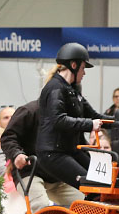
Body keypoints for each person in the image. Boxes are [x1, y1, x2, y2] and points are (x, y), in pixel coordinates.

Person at [36, 42, 102, 189]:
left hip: (69, 150)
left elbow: (93, 115)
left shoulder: (72, 90)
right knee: (92, 186)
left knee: (103, 181)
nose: (84, 73)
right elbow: (58, 120)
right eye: (83, 68)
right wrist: (90, 125)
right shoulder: (55, 88)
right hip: (53, 153)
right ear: (74, 65)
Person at [0, 100, 84, 211]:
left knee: (88, 206)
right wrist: (17, 154)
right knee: (40, 206)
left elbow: (81, 145)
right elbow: (8, 137)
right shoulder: (29, 111)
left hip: (58, 175)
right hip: (29, 171)